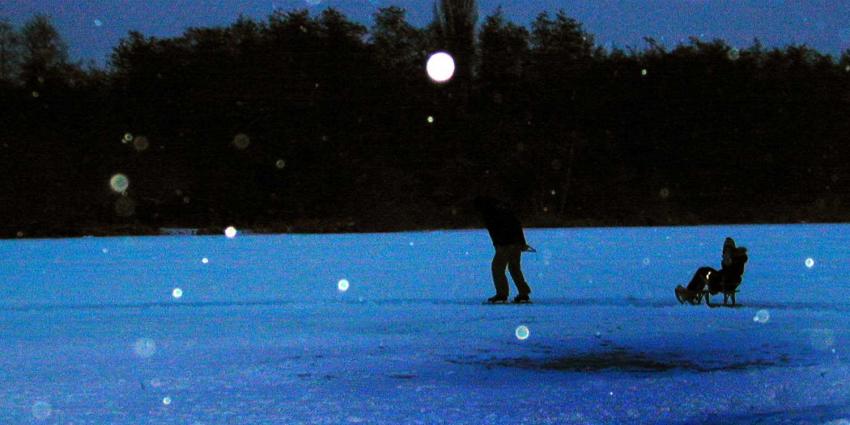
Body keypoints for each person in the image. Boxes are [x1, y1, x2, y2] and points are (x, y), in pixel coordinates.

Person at [473, 196, 534, 304]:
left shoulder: (490, 214)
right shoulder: (506, 212)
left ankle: (502, 294)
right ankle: (523, 293)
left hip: (505, 245)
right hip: (515, 243)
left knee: (497, 268)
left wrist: (499, 244)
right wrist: (521, 243)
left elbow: (496, 231)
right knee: (514, 268)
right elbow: (516, 225)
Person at [677, 237, 748, 304]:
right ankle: (690, 292)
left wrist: (726, 263)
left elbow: (730, 273)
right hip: (723, 280)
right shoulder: (735, 259)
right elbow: (728, 272)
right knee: (703, 271)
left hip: (724, 282)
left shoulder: (735, 260)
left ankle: (690, 293)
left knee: (703, 273)